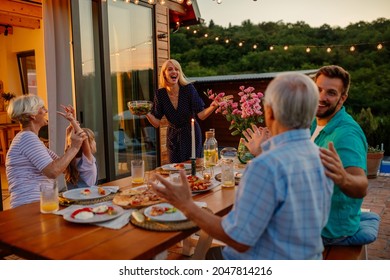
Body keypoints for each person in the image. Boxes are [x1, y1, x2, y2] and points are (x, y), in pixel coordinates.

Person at [151, 73, 333, 259]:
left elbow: (237, 238)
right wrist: (261, 153)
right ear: (312, 112)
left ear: (269, 112)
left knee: (209, 256)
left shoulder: (265, 166)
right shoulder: (323, 157)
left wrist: (187, 205)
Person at [312, 65, 380, 246]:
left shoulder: (347, 135)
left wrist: (343, 178)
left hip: (328, 229)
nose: (321, 97)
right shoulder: (314, 122)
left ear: (342, 99)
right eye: (318, 89)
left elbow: (361, 186)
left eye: (331, 93)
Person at [5, 95, 86, 208]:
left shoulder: (29, 139)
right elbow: (53, 171)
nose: (46, 111)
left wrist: (72, 124)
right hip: (30, 206)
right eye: (42, 108)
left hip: (37, 204)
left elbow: (62, 167)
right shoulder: (27, 138)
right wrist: (74, 147)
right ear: (32, 115)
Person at [145, 59, 218, 163]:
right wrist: (145, 112)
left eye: (177, 69)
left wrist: (213, 106)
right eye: (170, 69)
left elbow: (201, 115)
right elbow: (156, 123)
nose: (174, 72)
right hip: (173, 137)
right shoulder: (160, 94)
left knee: (192, 168)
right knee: (174, 169)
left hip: (191, 134)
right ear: (164, 74)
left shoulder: (188, 89)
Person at [58, 105, 98, 190]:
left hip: (72, 198)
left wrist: (72, 121)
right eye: (93, 140)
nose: (95, 142)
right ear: (88, 144)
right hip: (88, 197)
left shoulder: (70, 159)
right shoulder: (87, 160)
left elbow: (68, 149)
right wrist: (72, 120)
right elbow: (83, 137)